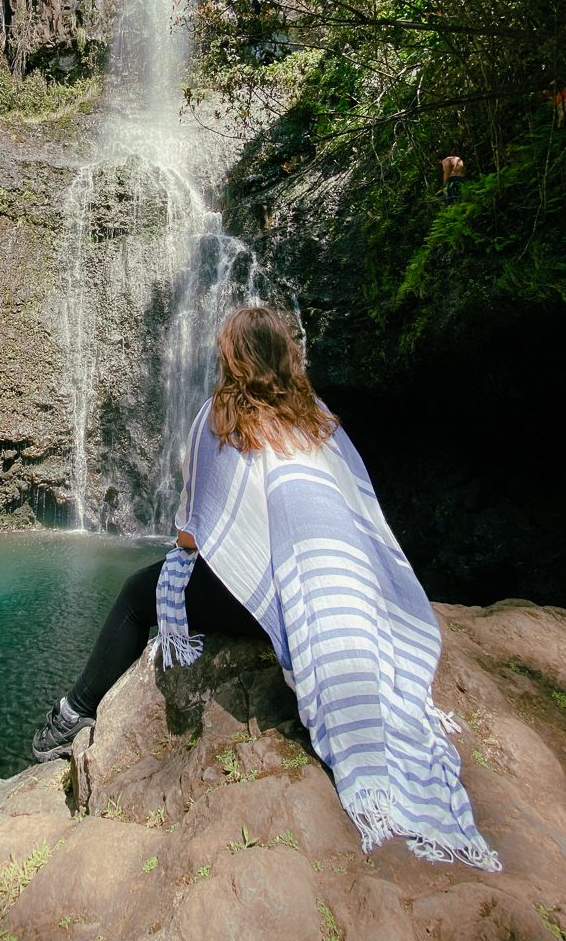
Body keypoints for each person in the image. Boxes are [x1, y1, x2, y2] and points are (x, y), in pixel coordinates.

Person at [32, 306, 500, 871]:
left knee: (138, 593)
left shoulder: (220, 418)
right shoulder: (320, 420)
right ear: (288, 357)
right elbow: (361, 511)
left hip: (266, 601)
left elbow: (192, 534)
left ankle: (74, 711)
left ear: (232, 360)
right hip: (340, 594)